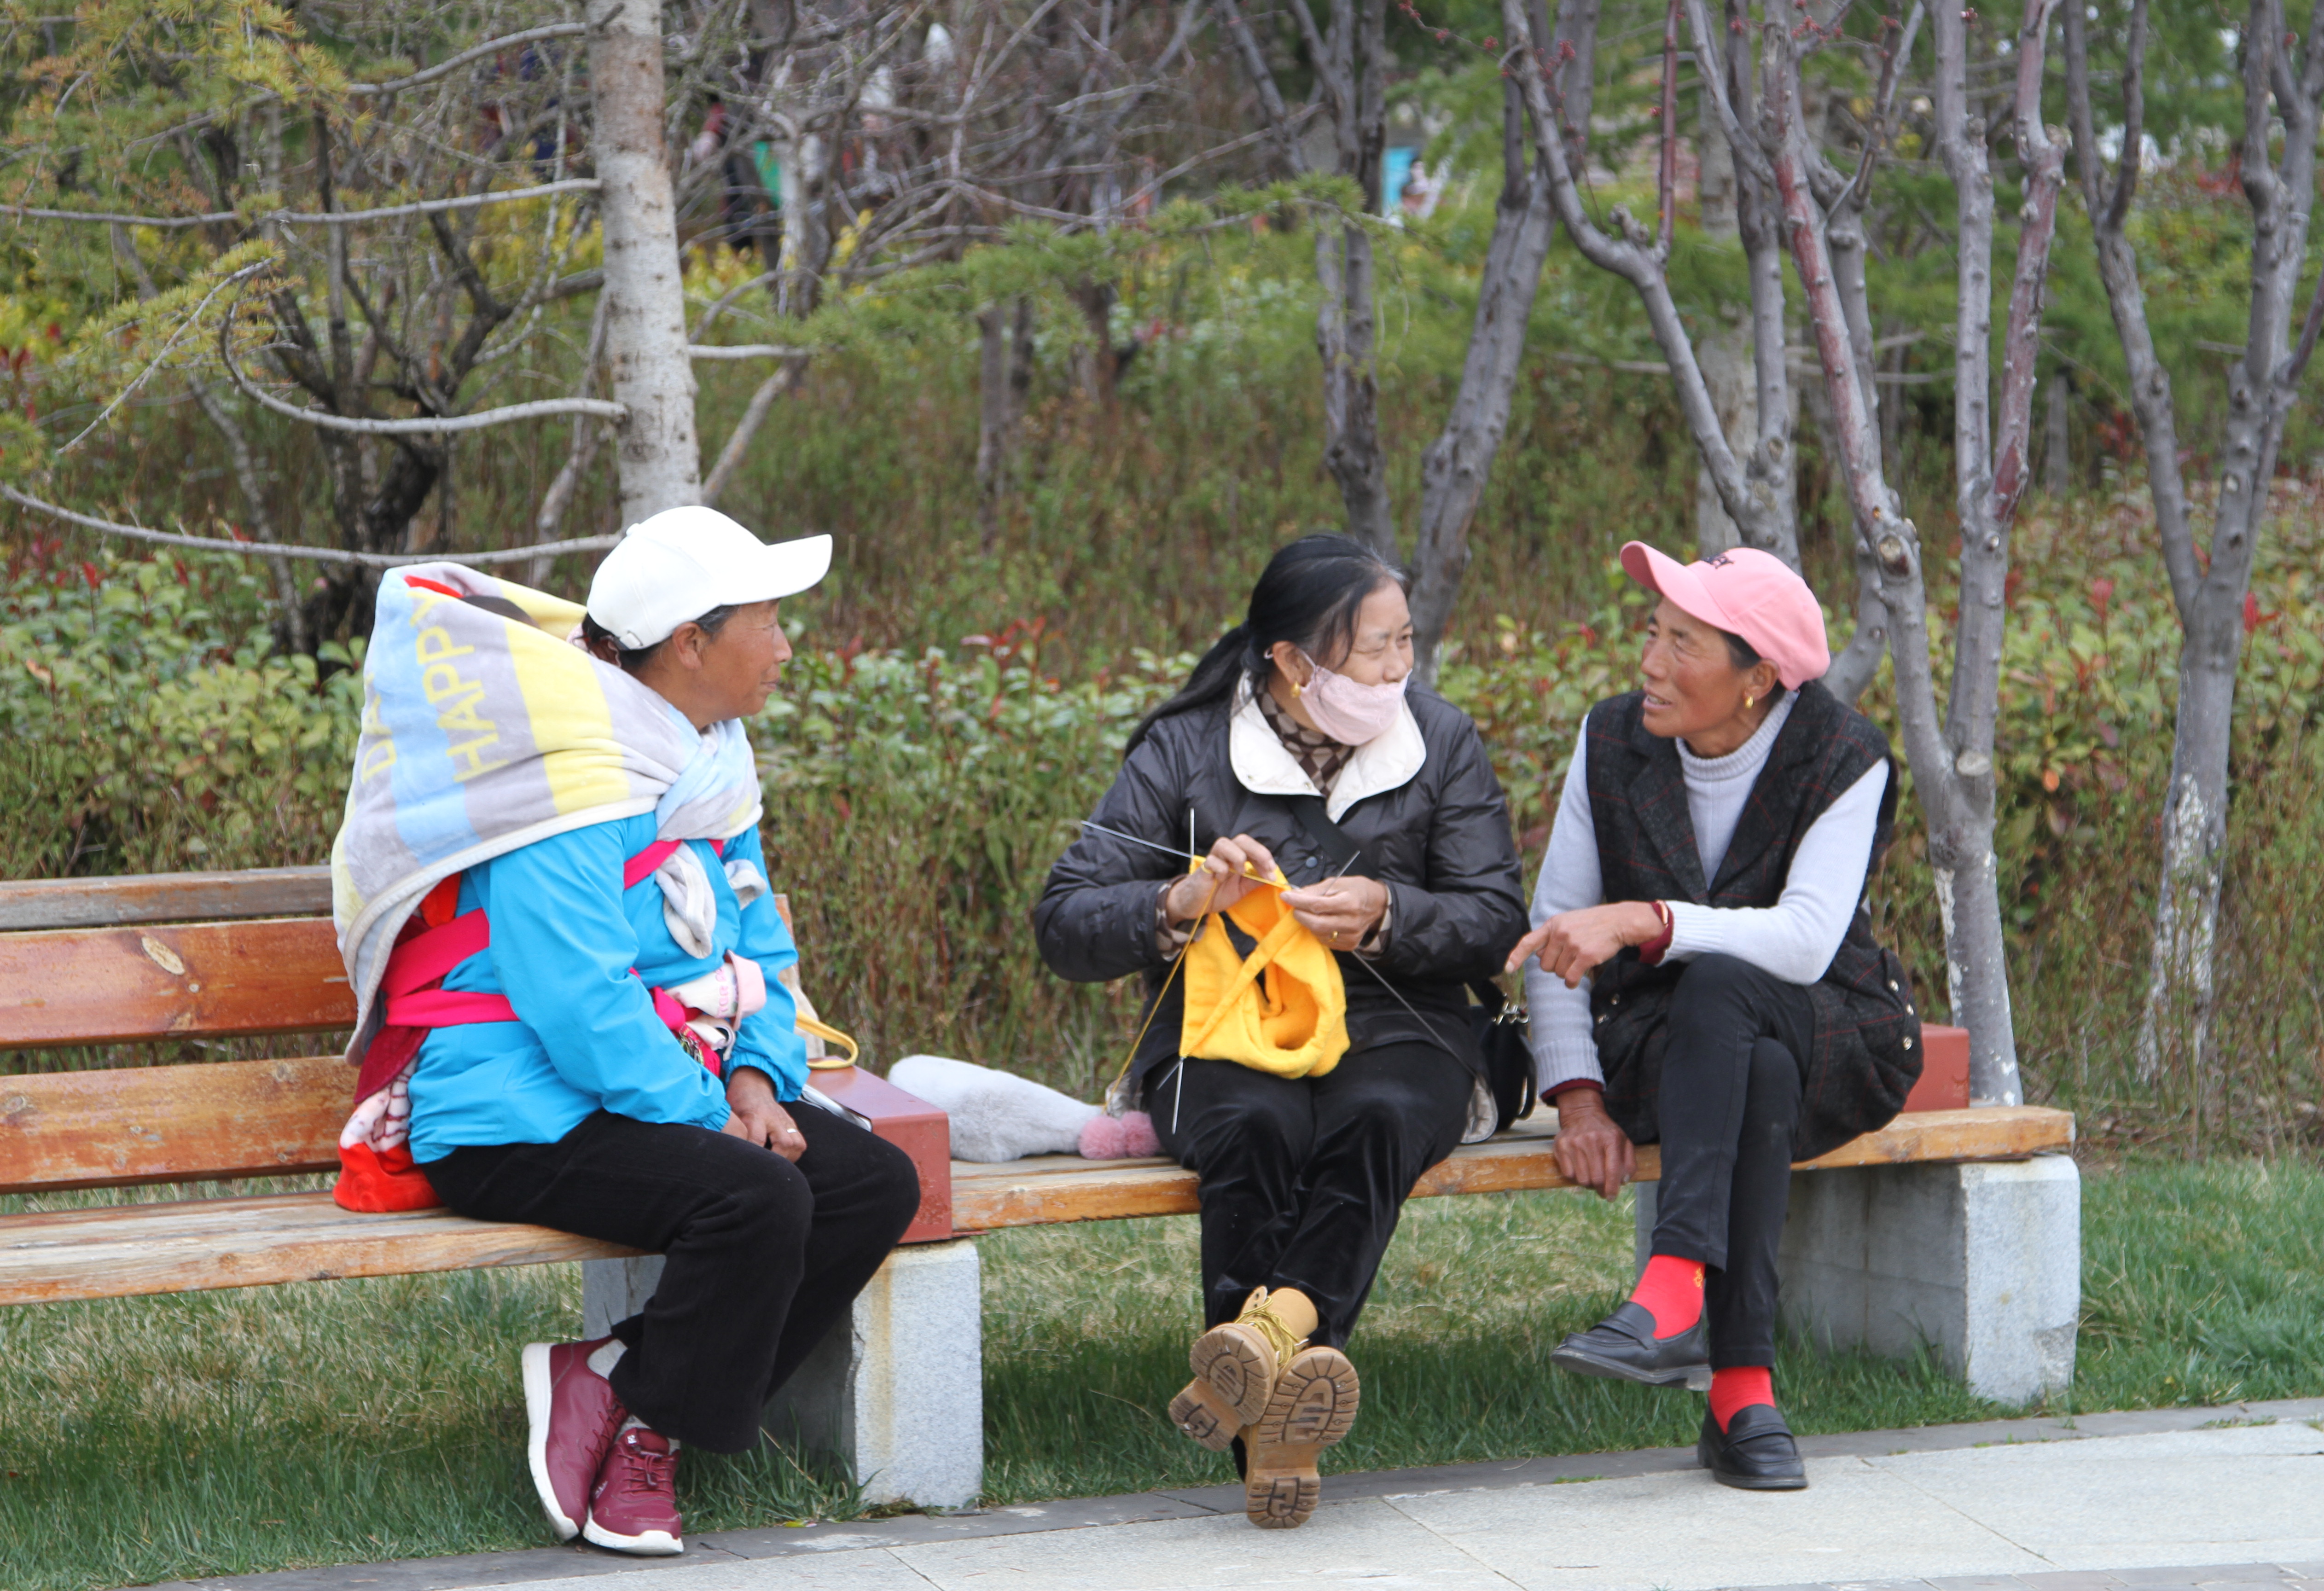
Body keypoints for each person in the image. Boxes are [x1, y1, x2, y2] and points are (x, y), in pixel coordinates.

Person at [329, 507, 918, 1556]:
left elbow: (760, 951)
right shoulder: (562, 782)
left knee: (872, 1182)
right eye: (769, 623)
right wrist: (712, 1117)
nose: (785, 647)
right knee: (757, 1196)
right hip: (508, 1113)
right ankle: (650, 1434)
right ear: (692, 642)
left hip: (658, 1084)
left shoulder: (707, 763)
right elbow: (580, 1005)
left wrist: (757, 1085)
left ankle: (626, 1390)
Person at [1036, 534, 1529, 1530]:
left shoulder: (1439, 737)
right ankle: (1278, 1420)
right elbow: (1065, 921)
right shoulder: (1186, 747)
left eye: (1406, 644)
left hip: (1404, 1025)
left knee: (1379, 1118)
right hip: (1223, 1025)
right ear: (1295, 663)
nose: (1401, 669)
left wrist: (1390, 912)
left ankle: (1263, 1349)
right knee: (1257, 1130)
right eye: (1376, 650)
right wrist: (1180, 898)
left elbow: (1494, 914)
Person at [1508, 541, 1922, 1492]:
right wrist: (1575, 1095)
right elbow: (1555, 935)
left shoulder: (1843, 755)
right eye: (1653, 633)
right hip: (1669, 1057)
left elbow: (1809, 942)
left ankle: (1673, 1288)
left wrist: (1652, 921)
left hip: (1837, 1037)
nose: (1651, 663)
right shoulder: (1611, 740)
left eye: (1683, 643)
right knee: (1737, 1042)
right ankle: (1741, 1389)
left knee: (1730, 986)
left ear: (1758, 679)